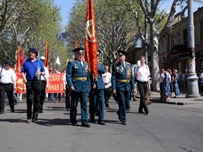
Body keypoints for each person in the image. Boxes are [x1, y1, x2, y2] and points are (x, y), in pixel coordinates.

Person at [66, 47, 91, 127]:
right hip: (75, 86)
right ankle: (73, 120)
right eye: (78, 54)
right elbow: (69, 75)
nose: (80, 55)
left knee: (84, 104)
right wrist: (71, 85)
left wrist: (88, 86)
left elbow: (88, 76)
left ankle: (84, 121)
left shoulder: (86, 64)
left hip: (84, 87)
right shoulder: (72, 63)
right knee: (74, 105)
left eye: (81, 54)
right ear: (75, 55)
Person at [21, 48, 45, 123]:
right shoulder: (26, 62)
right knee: (29, 99)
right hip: (29, 82)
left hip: (37, 82)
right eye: (30, 52)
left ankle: (35, 116)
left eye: (32, 52)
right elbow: (22, 71)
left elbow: (44, 72)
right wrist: (24, 79)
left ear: (35, 54)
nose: (31, 53)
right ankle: (29, 116)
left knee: (37, 100)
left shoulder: (39, 62)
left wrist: (40, 73)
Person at [112, 50, 135, 125]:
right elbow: (114, 78)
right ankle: (123, 118)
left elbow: (131, 77)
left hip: (127, 86)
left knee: (127, 102)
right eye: (119, 56)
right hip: (120, 86)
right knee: (121, 102)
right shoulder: (116, 66)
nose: (120, 58)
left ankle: (119, 112)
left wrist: (133, 87)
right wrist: (114, 88)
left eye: (121, 56)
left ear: (125, 57)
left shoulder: (129, 66)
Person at [89, 50, 106, 125]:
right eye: (96, 56)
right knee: (93, 103)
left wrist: (96, 65)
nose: (97, 57)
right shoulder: (89, 64)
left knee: (101, 103)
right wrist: (92, 84)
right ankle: (92, 117)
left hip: (100, 86)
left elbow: (103, 70)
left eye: (98, 56)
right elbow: (89, 75)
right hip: (94, 86)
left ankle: (101, 119)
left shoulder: (100, 64)